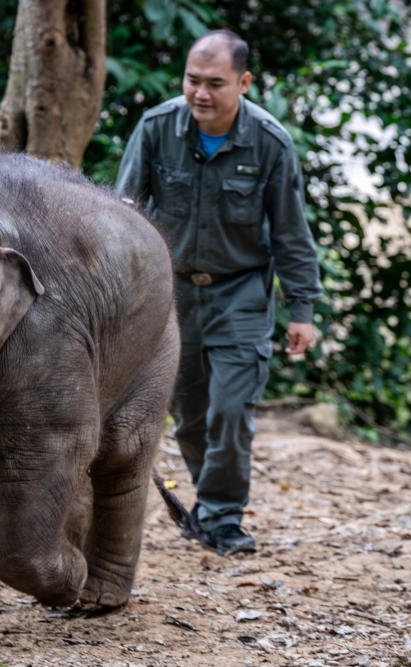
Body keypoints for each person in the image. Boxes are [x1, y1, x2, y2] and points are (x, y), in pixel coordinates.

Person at [116, 29, 322, 556]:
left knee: (230, 410)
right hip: (172, 298)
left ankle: (223, 517)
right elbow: (123, 216)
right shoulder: (158, 128)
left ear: (244, 82)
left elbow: (291, 232)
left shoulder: (269, 142)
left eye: (215, 83)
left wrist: (302, 308)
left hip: (241, 294)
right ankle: (208, 507)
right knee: (189, 413)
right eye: (192, 80)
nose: (201, 94)